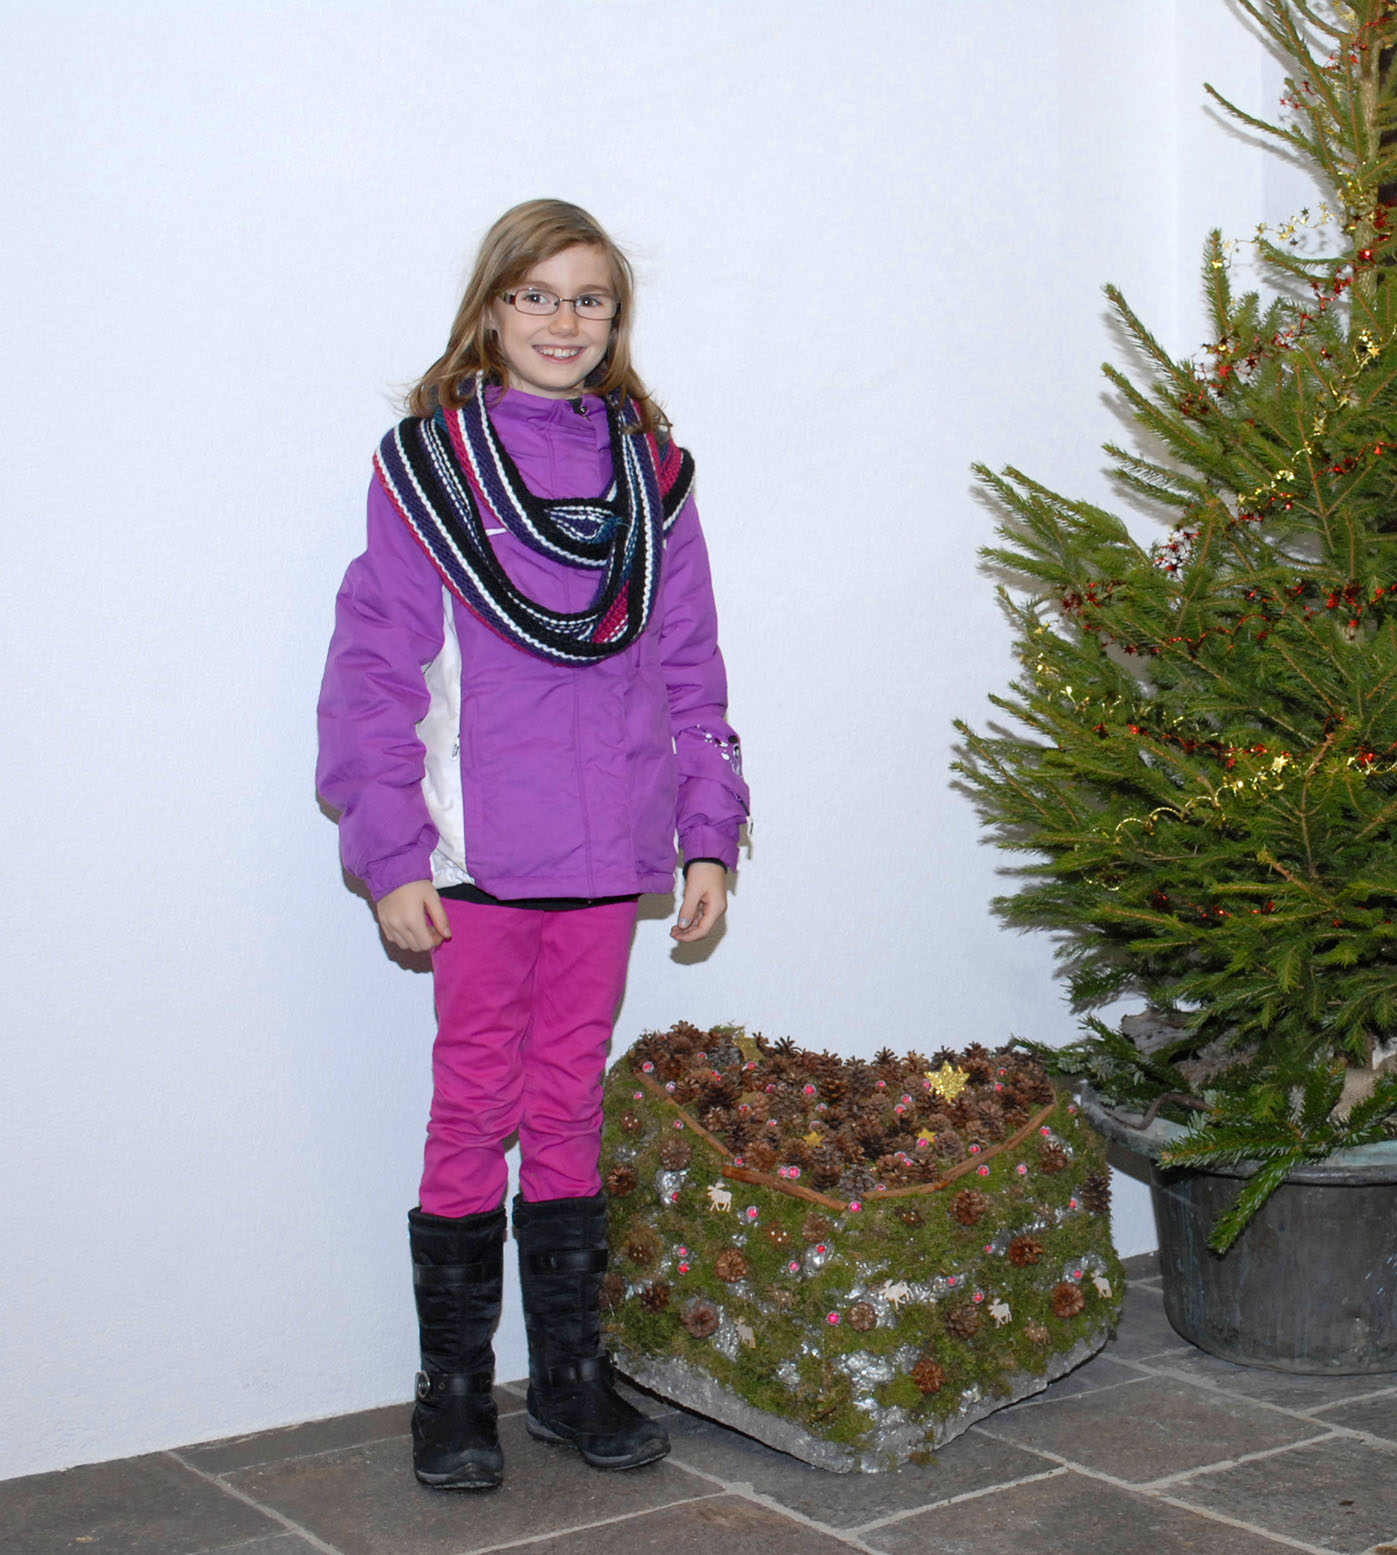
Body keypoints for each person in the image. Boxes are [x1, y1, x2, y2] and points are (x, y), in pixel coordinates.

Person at [317, 199, 749, 1491]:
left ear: (617, 319)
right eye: (538, 295)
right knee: (472, 1105)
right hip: (480, 859)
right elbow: (374, 669)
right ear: (492, 308)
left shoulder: (653, 477)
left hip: (607, 853)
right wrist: (393, 853)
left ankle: (568, 1376)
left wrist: (708, 832)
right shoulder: (429, 469)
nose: (564, 321)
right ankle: (451, 1393)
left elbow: (690, 664)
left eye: (589, 299)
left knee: (568, 1102)